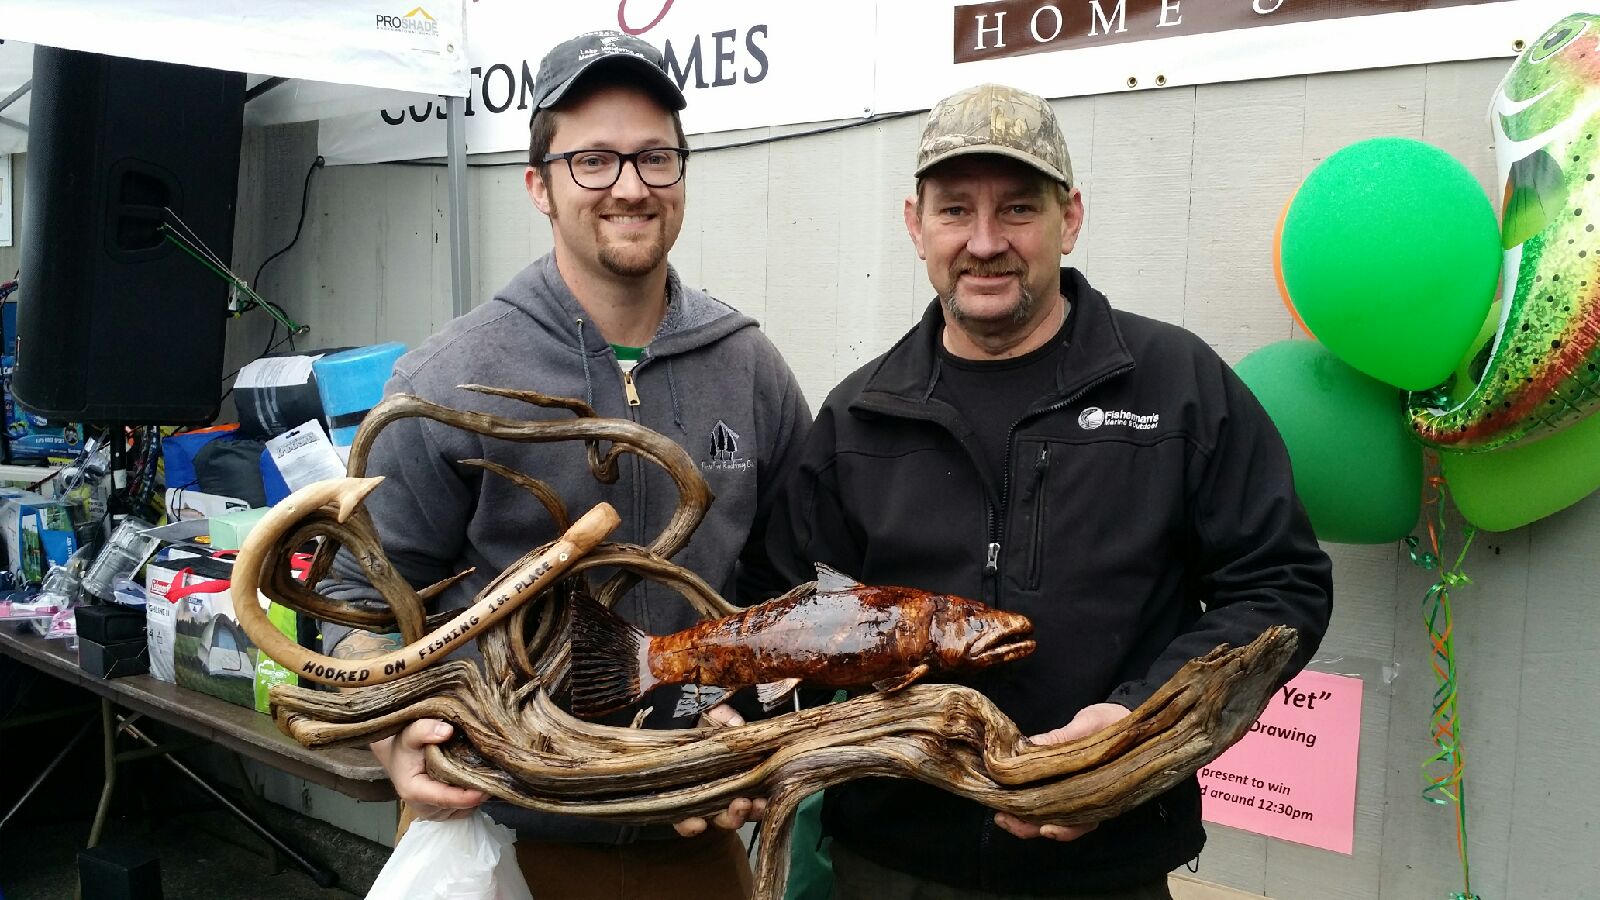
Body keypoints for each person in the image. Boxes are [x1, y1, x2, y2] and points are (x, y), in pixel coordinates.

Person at [766, 83, 1334, 898]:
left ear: (1069, 217)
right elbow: (785, 609)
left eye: (1019, 210)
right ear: (915, 225)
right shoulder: (858, 416)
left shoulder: (1175, 389)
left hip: (1105, 866)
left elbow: (1280, 584)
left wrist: (1140, 728)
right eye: (955, 210)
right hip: (890, 865)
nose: (985, 241)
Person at [323, 30, 810, 900]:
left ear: (683, 177)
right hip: (500, 834)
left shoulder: (749, 368)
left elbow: (788, 598)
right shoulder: (448, 380)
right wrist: (391, 733)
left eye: (655, 158)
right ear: (538, 185)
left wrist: (752, 719)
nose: (629, 186)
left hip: (693, 833)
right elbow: (361, 612)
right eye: (592, 160)